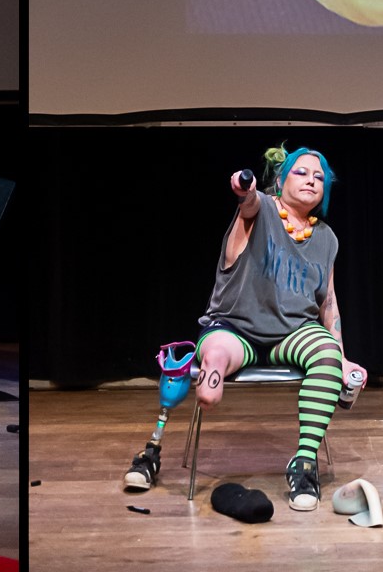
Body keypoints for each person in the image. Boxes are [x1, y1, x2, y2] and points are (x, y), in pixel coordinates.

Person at [122, 146, 367, 512]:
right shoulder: (263, 210)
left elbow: (327, 302)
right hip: (236, 329)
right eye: (301, 173)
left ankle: (302, 464)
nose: (311, 181)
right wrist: (245, 191)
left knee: (328, 356)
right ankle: (157, 444)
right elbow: (249, 204)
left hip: (293, 332)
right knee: (212, 374)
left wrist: (342, 356)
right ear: (280, 180)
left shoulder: (327, 238)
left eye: (318, 177)